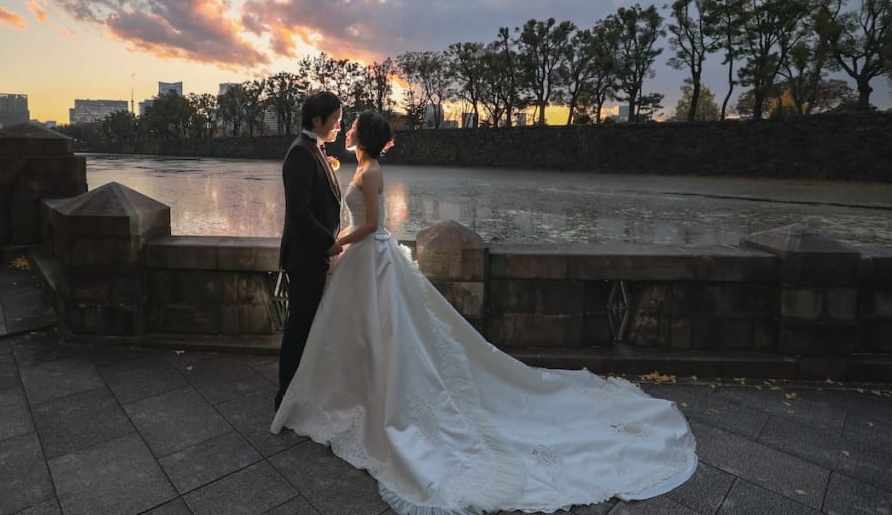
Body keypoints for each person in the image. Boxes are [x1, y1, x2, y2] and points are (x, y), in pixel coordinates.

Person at [272, 111, 698, 514]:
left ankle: (383, 396)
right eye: (343, 125)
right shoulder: (361, 166)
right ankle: (359, 387)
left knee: (389, 333)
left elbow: (372, 225)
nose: (346, 130)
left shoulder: (374, 172)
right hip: (364, 260)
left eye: (353, 128)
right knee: (364, 333)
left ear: (363, 138)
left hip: (370, 255)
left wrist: (341, 240)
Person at [275, 90, 343, 411]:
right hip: (305, 258)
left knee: (307, 326)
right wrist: (329, 243)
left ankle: (299, 392)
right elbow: (300, 212)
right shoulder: (301, 153)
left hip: (311, 257)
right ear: (317, 120)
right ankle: (285, 397)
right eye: (335, 120)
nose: (339, 126)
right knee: (299, 328)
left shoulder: (314, 149)